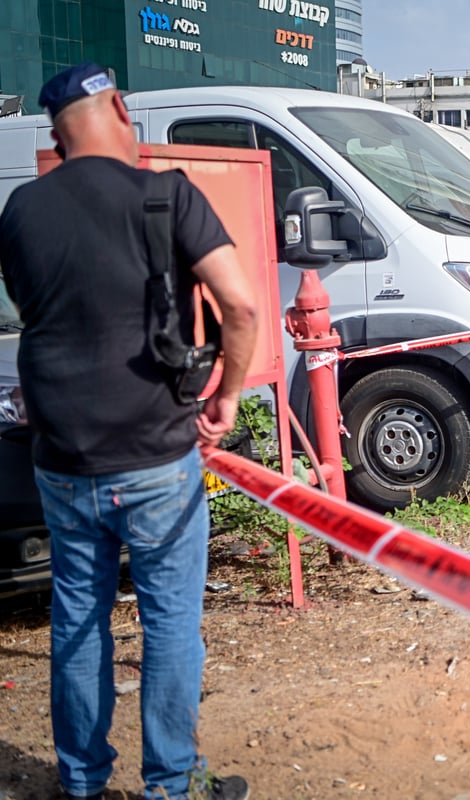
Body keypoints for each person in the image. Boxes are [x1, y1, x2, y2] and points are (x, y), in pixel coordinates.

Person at [0, 63, 258, 800]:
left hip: (61, 459)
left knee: (77, 619)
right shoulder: (166, 196)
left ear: (54, 134)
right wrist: (228, 396)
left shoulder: (20, 210)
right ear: (118, 107)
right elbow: (238, 307)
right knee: (170, 623)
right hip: (156, 457)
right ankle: (170, 786)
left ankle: (82, 783)